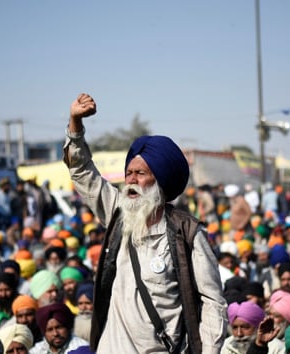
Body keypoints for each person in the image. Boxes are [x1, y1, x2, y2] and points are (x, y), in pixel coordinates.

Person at [64, 93, 227, 353]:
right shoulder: (117, 214)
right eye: (129, 173)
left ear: (160, 182)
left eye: (141, 173)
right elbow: (83, 171)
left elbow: (213, 302)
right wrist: (75, 124)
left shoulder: (186, 233)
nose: (132, 181)